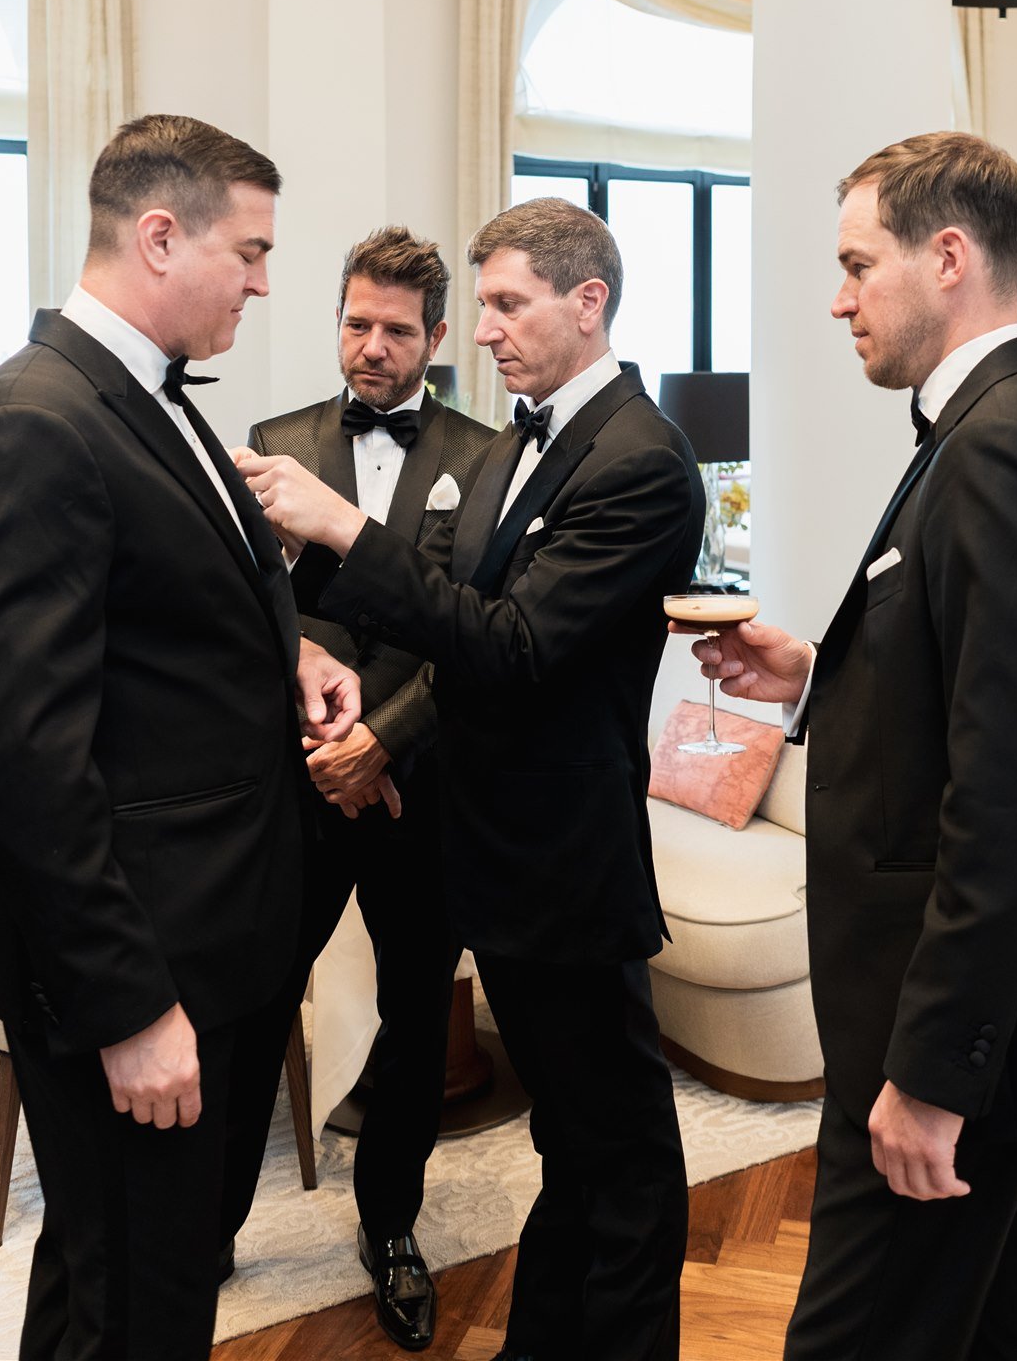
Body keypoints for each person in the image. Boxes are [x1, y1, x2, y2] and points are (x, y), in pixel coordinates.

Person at [680, 131, 1017, 1361]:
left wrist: (933, 1074)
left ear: (948, 256)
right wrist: (820, 669)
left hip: (949, 1029)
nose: (838, 298)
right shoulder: (1013, 427)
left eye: (859, 264)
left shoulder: (1006, 448)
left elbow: (1013, 795)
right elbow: (976, 696)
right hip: (982, 1019)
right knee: (999, 1323)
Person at [241, 197, 706, 1361]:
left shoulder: (643, 458)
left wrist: (342, 526)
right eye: (485, 303)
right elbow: (444, 604)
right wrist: (310, 632)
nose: (487, 328)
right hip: (495, 857)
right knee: (574, 1146)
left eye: (506, 302)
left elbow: (512, 643)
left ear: (587, 301)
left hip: (568, 865)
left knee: (626, 1163)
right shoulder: (515, 444)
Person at [0, 113, 359, 1361]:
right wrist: (129, 1007)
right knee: (144, 1311)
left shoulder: (143, 398)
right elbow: (25, 757)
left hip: (221, 937)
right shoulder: (33, 422)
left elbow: (162, 620)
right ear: (160, 235)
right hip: (143, 967)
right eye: (252, 250)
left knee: (108, 1275)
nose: (265, 282)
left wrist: (293, 656)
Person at [227, 225, 493, 1352]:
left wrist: (383, 740)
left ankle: (389, 1226)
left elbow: (476, 635)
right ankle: (210, 1222)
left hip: (420, 790)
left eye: (395, 330)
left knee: (415, 1017)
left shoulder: (487, 457)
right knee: (252, 1007)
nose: (371, 346)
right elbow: (249, 612)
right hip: (297, 787)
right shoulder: (274, 443)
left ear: (437, 336)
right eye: (355, 323)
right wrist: (321, 740)